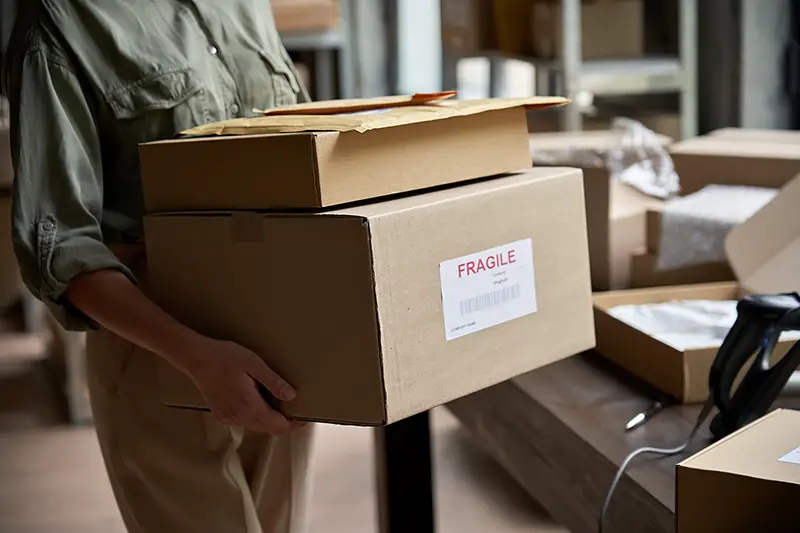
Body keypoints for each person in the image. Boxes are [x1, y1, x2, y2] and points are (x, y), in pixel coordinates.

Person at [3, 1, 316, 532]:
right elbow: (61, 245)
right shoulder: (60, 21)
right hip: (159, 349)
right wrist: (197, 358)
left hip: (279, 340)